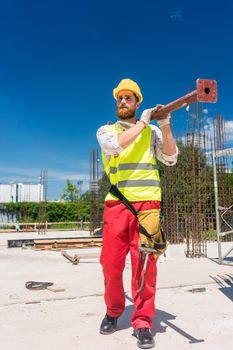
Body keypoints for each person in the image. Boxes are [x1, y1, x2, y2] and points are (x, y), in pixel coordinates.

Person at [96, 78, 178, 349]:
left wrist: (164, 126)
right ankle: (114, 309)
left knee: (145, 267)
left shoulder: (152, 132)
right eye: (119, 98)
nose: (122, 102)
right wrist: (144, 122)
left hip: (148, 207)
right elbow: (116, 146)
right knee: (111, 264)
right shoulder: (106, 130)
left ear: (137, 102)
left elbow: (170, 157)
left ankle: (143, 321)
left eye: (128, 98)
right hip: (118, 206)